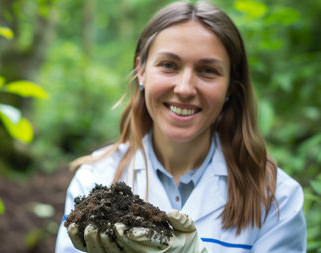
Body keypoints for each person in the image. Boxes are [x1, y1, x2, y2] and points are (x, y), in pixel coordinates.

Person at [55, 1, 306, 252]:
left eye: (207, 70)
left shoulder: (277, 200)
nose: (185, 88)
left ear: (230, 85)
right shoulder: (93, 181)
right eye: (169, 65)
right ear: (141, 71)